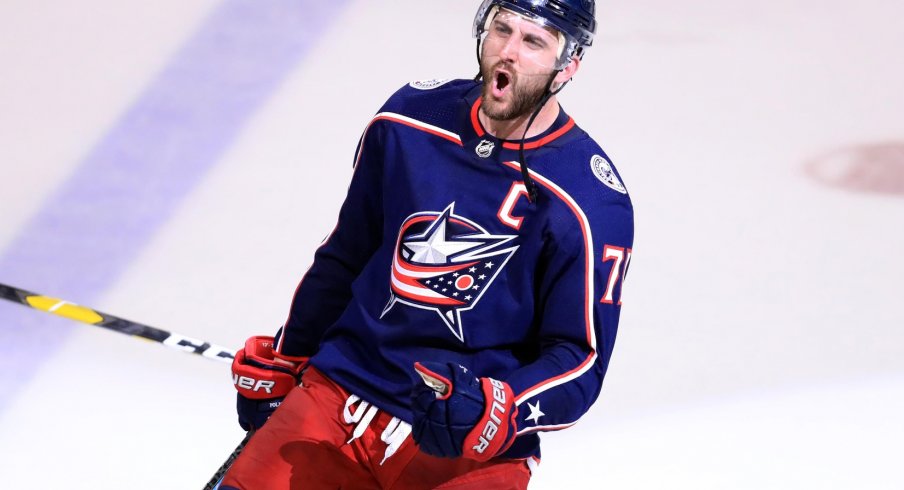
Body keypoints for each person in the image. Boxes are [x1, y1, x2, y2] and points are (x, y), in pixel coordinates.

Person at [219, 0, 633, 488]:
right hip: (340, 397)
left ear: (569, 65)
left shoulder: (589, 201)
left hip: (464, 444)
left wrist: (503, 407)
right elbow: (346, 256)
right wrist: (289, 355)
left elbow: (580, 359)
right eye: (502, 30)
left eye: (534, 42)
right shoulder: (409, 120)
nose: (509, 53)